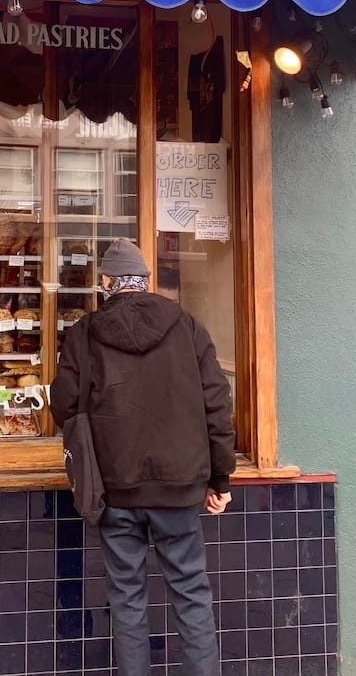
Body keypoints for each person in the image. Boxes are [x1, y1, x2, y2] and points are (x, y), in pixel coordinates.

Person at [50, 238, 235, 676]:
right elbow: (216, 405)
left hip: (115, 490)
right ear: (146, 281)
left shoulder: (85, 333)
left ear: (107, 282)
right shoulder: (187, 326)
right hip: (180, 487)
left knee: (127, 599)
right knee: (191, 593)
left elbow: (64, 406)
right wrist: (220, 478)